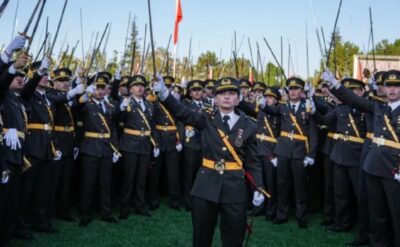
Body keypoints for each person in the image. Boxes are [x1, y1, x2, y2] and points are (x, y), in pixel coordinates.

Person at [153, 76, 265, 247]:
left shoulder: (249, 125)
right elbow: (182, 112)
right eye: (221, 93)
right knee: (201, 237)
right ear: (215, 98)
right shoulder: (205, 118)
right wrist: (164, 93)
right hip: (206, 185)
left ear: (238, 98)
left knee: (234, 238)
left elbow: (253, 161)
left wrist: (259, 187)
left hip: (235, 187)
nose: (226, 97)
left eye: (231, 93)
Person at [322, 69, 400, 247]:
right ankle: (378, 243)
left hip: (394, 168)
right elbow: (354, 100)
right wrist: (335, 84)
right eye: (389, 86)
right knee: (377, 212)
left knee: (396, 212)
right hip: (374, 166)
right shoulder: (378, 106)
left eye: (397, 86)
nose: (392, 90)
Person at [262, 77, 319, 229]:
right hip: (283, 151)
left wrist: (311, 154)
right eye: (291, 89)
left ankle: (301, 216)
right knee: (282, 185)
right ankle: (282, 214)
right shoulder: (282, 107)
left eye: (296, 89)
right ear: (287, 92)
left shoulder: (308, 108)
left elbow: (313, 134)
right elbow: (269, 109)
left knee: (300, 186)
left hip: (300, 152)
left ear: (301, 91)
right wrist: (261, 103)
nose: (293, 92)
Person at [78, 73, 120, 227]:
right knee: (88, 183)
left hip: (106, 147)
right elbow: (77, 106)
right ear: (93, 89)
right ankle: (85, 214)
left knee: (105, 183)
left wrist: (115, 148)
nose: (101, 91)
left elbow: (113, 129)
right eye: (98, 88)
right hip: (91, 147)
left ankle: (106, 212)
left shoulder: (110, 106)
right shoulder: (87, 104)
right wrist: (85, 93)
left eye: (103, 88)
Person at [118, 75, 157, 219]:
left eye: (142, 85)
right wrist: (122, 108)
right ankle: (125, 207)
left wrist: (155, 143)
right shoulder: (126, 103)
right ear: (131, 89)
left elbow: (152, 127)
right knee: (129, 178)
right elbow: (116, 119)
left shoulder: (149, 104)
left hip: (145, 144)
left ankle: (140, 206)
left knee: (142, 178)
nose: (140, 88)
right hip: (130, 144)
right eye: (136, 86)